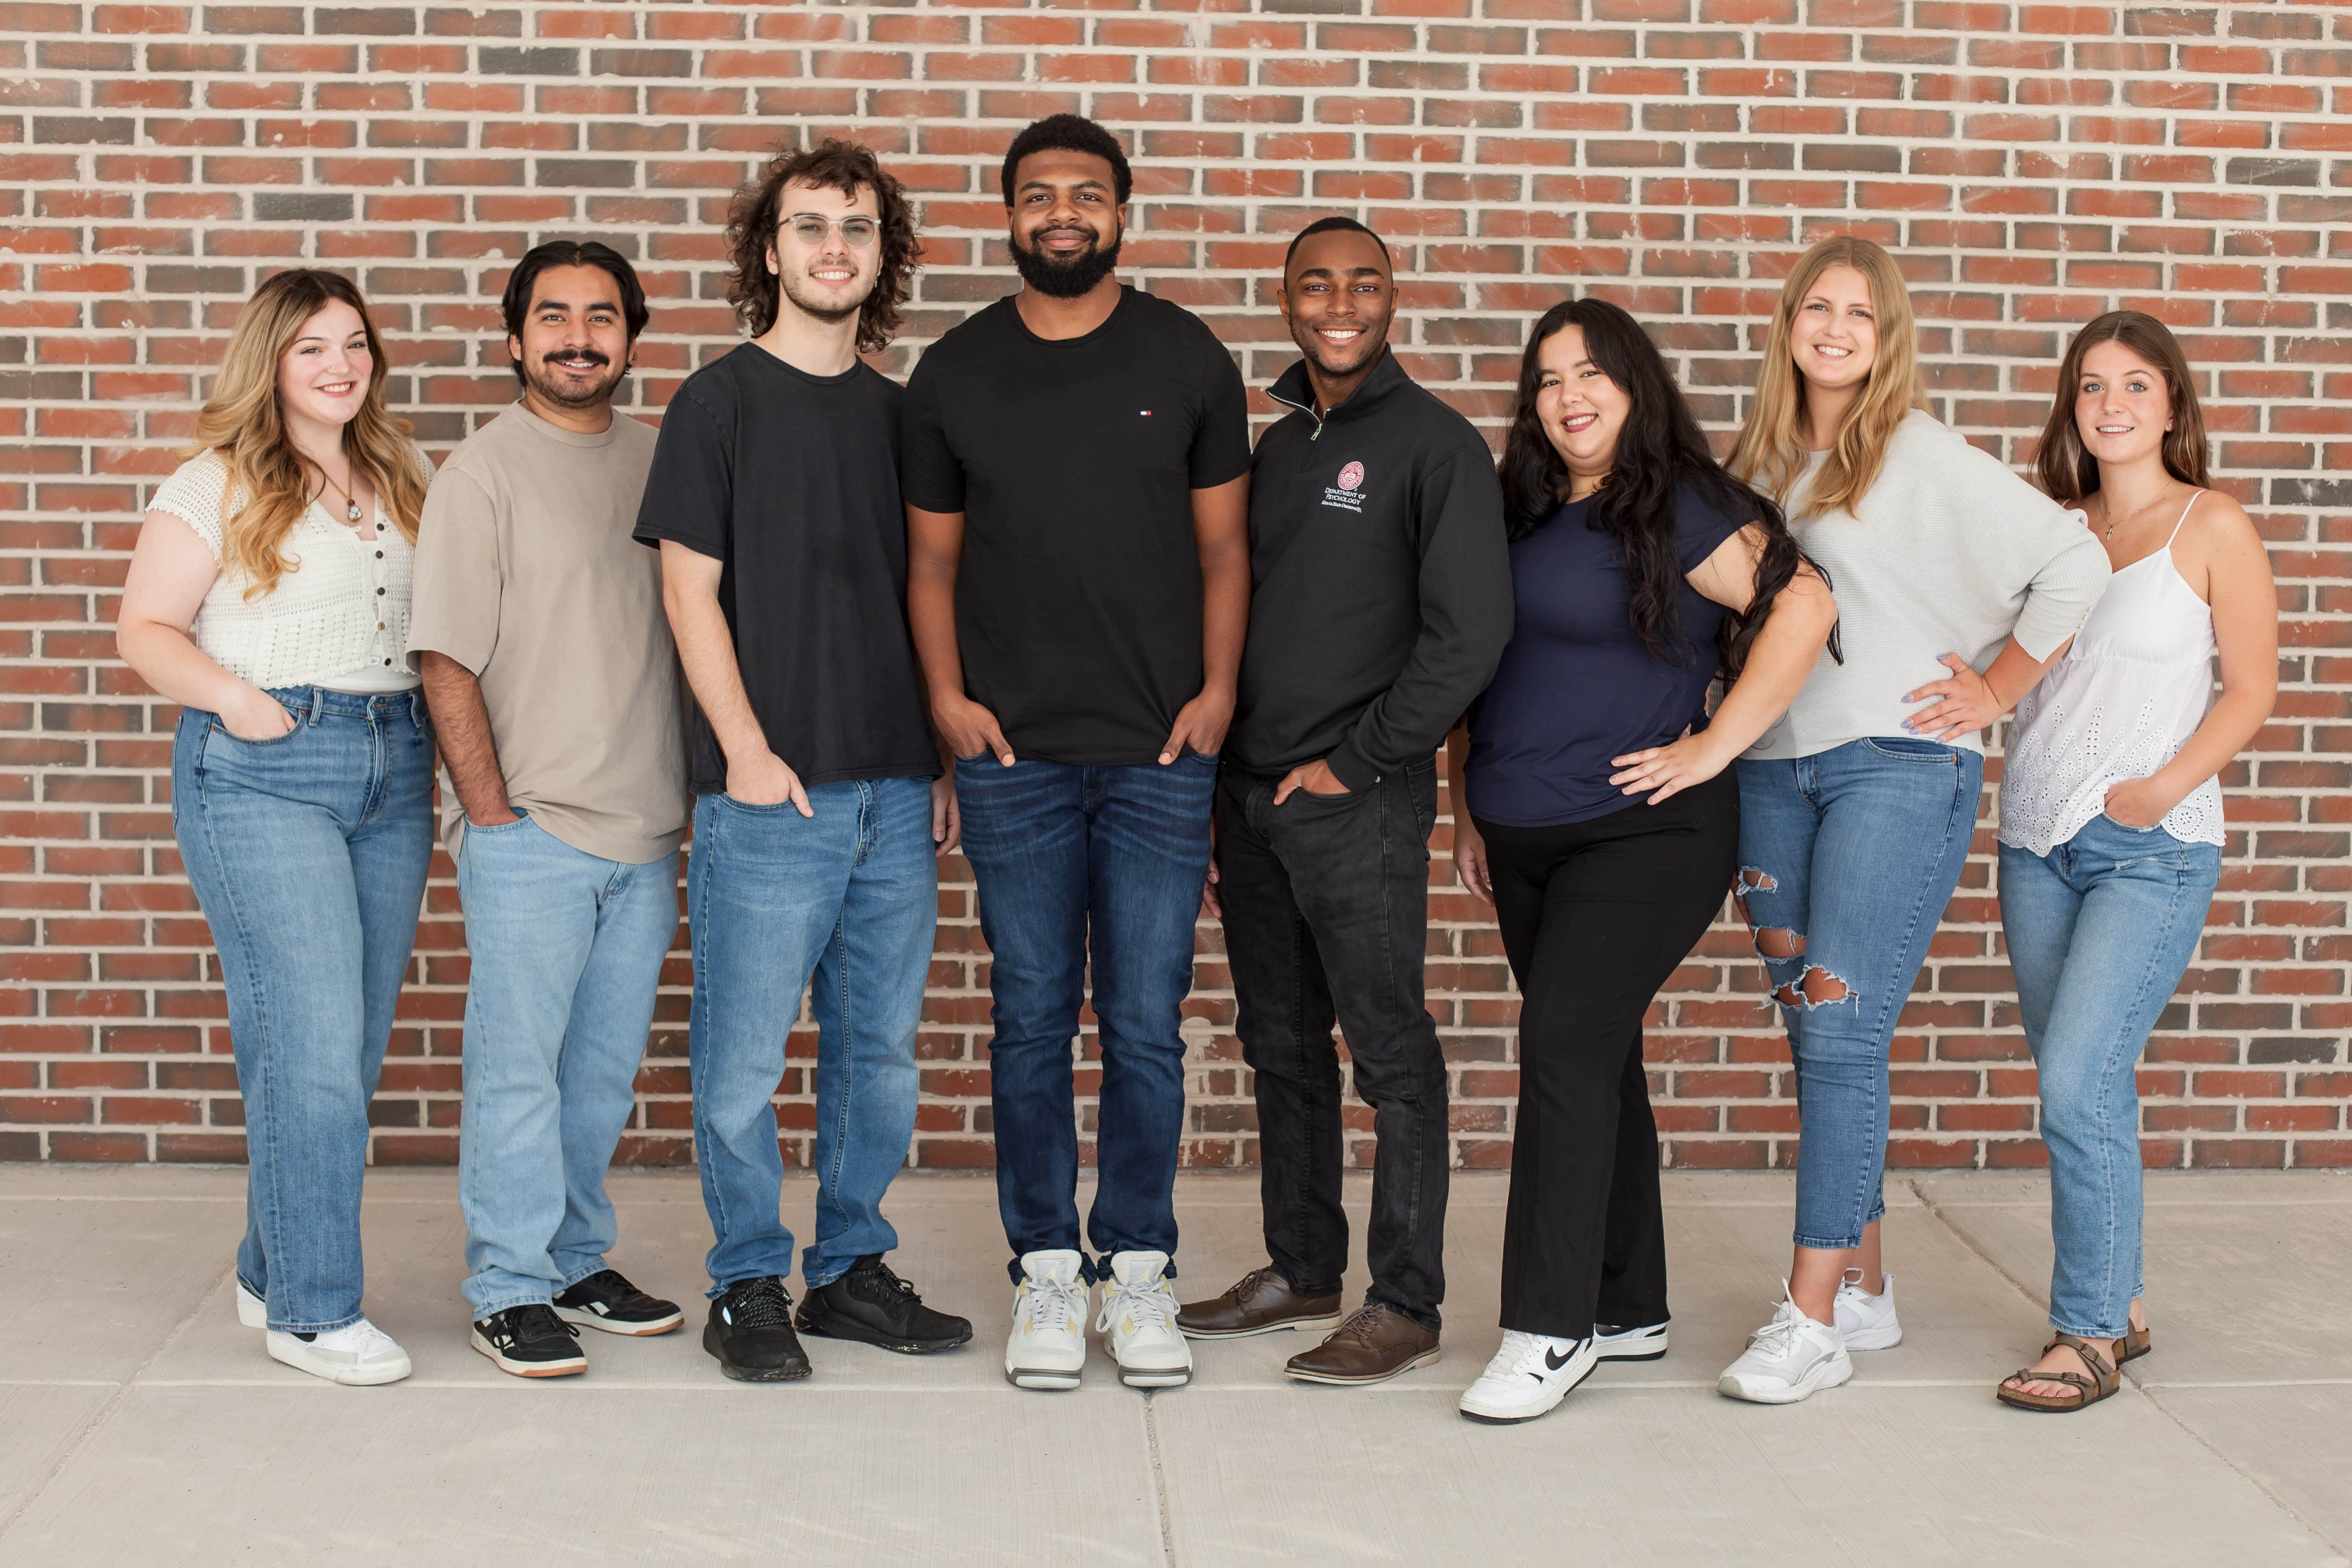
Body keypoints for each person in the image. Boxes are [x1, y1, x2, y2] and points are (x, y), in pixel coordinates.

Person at [1716, 236, 2112, 1404]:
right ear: (1787, 322)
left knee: (1840, 1030)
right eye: (1817, 308)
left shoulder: (1916, 450)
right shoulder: (1762, 458)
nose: (1835, 330)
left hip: (1891, 768)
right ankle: (1865, 1286)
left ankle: (1807, 1318)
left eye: (1860, 314)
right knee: (1809, 1027)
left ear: (1885, 337)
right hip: (1772, 773)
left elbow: (2071, 560)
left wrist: (1996, 689)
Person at [902, 114, 1252, 1392]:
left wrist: (1219, 690)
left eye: (1087, 194)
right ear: (1008, 217)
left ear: (1121, 213)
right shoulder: (956, 373)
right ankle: (1050, 1271)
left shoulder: (1188, 356)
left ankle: (1141, 1263)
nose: (1064, 211)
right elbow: (930, 560)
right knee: (1033, 1017)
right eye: (1039, 194)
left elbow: (1227, 549)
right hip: (1012, 758)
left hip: (1164, 750)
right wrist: (943, 696)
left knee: (1148, 1024)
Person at [1445, 299, 1837, 1424]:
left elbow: (1802, 604)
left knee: (1561, 1040)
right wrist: (1466, 806)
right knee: (1595, 1054)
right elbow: (1478, 664)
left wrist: (1716, 742)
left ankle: (1546, 1326)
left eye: (1592, 375)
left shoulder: (1675, 502)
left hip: (1643, 835)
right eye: (1548, 379)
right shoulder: (1516, 507)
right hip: (1520, 835)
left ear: (1634, 387)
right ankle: (1626, 1303)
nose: (1568, 397)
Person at [638, 139, 971, 1383]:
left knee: (878, 1054)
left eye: (859, 228)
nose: (835, 246)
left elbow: (931, 595)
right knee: (742, 1057)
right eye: (811, 225)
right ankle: (745, 1284)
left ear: (883, 257)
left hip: (895, 791)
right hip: (768, 795)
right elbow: (688, 592)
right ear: (768, 249)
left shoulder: (905, 418)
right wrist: (744, 752)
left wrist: (939, 756)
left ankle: (846, 1273)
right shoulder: (717, 404)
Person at [1176, 217, 1512, 1387]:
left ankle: (1403, 1301)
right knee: (1278, 1044)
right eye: (1315, 283)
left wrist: (1359, 760)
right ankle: (1302, 1266)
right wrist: (1226, 793)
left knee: (1390, 1053)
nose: (1338, 302)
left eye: (1362, 282)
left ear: (1391, 298)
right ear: (1284, 299)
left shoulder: (1434, 447)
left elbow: (1469, 634)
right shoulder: (1275, 449)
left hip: (1356, 803)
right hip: (1252, 804)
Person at [116, 270, 435, 1386]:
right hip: (263, 767)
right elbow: (144, 629)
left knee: (341, 1048)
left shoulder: (400, 471)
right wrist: (246, 705)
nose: (341, 365)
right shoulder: (213, 483)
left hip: (394, 766)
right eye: (312, 348)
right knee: (307, 1047)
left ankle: (269, 1260)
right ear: (271, 361)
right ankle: (312, 1309)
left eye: (355, 343)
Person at [409, 241, 688, 1379]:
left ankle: (574, 1259)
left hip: (650, 829)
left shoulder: (668, 461)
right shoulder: (482, 474)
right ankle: (508, 1284)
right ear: (514, 337)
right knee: (519, 1070)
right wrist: (493, 815)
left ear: (632, 335)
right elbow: (444, 660)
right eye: (555, 317)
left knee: (599, 1072)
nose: (580, 336)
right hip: (535, 828)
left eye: (602, 316)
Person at [1993, 313, 2275, 1413]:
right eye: (2090, 388)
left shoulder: (2212, 525)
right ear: (2071, 408)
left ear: (2170, 404)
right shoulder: (2054, 532)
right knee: (2085, 1087)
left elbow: (2249, 687)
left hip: (2147, 848)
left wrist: (2160, 788)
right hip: (2033, 845)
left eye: (2135, 386)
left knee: (2075, 1080)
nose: (2111, 405)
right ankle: (2126, 1297)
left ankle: (2086, 1333)